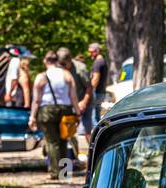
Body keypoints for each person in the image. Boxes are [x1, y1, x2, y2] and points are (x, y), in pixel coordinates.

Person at [28, 51, 78, 180]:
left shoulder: (41, 77)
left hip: (47, 110)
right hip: (66, 109)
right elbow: (73, 96)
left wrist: (32, 116)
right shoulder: (67, 75)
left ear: (45, 61)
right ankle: (65, 173)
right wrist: (77, 112)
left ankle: (55, 172)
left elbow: (37, 100)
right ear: (56, 61)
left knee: (51, 142)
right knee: (65, 141)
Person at [86, 42, 107, 135]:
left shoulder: (98, 62)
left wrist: (90, 91)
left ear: (97, 51)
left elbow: (96, 79)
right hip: (101, 92)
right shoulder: (102, 61)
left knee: (94, 117)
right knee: (97, 116)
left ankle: (96, 137)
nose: (90, 54)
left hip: (96, 92)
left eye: (92, 52)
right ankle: (100, 135)